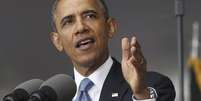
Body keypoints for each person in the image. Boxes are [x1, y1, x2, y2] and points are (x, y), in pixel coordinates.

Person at [50, 0, 176, 101]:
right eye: (68, 22)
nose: (81, 27)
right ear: (57, 41)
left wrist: (141, 94)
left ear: (110, 27)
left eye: (90, 16)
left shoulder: (151, 86)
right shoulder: (50, 96)